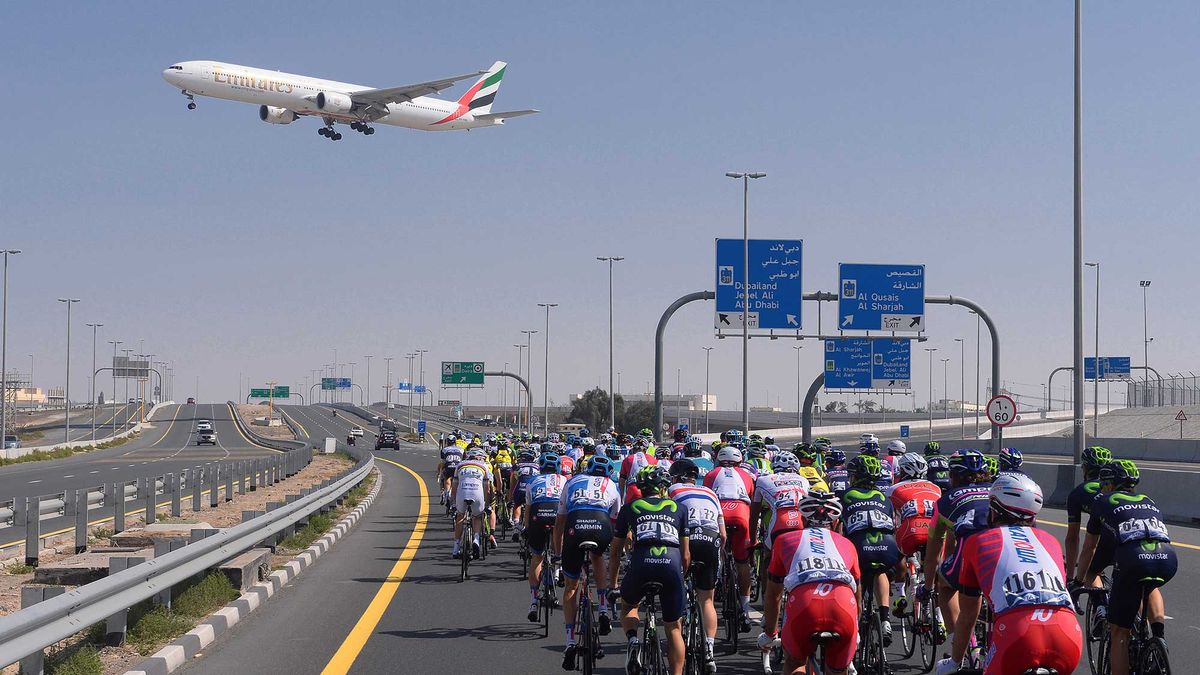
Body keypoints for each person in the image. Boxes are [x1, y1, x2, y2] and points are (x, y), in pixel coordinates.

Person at [935, 474, 1081, 675]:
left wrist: (954, 662)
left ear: (993, 510)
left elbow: (968, 616)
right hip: (1068, 633)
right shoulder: (1050, 541)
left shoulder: (977, 541)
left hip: (1017, 634)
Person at [1073, 460, 1177, 675]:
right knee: (1150, 586)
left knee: (1119, 632)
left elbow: (1089, 547)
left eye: (1104, 484)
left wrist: (1077, 581)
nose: (1101, 488)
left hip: (1133, 559)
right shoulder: (1149, 501)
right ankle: (1158, 638)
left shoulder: (1102, 501)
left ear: (1110, 485)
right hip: (1167, 558)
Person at [758, 490, 860, 675]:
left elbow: (774, 595)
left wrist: (770, 634)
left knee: (795, 663)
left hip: (804, 604)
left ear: (802, 518)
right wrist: (856, 629)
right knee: (838, 670)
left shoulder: (783, 540)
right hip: (844, 604)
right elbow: (857, 592)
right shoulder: (848, 544)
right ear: (835, 521)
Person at [608, 466, 690, 675]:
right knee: (673, 627)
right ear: (663, 489)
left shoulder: (630, 508)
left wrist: (613, 585)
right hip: (671, 564)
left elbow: (616, 552)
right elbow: (686, 554)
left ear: (641, 489)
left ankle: (634, 639)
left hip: (641, 562)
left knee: (629, 604)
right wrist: (683, 578)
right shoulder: (679, 508)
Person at [554, 455, 621, 670]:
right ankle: (602, 608)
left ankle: (570, 641)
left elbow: (559, 523)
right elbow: (615, 521)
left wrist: (558, 553)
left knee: (571, 587)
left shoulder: (571, 482)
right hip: (601, 524)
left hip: (575, 525)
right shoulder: (611, 484)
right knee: (598, 555)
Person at [922, 450, 991, 652]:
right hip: (1005, 546)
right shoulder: (996, 489)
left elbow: (933, 554)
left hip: (972, 547)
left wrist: (927, 588)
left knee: (944, 584)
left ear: (953, 475)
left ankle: (963, 642)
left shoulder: (944, 501)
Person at [668, 459, 725, 674]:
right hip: (711, 538)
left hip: (688, 537)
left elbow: (668, 518)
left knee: (676, 591)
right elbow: (724, 534)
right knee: (707, 599)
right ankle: (709, 650)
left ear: (677, 477)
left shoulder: (673, 490)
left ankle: (679, 638)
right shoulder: (710, 492)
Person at [841, 455, 900, 645]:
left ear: (856, 477)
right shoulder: (884, 498)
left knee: (855, 577)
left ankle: (856, 627)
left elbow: (838, 531)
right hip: (887, 545)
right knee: (880, 570)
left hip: (860, 545)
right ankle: (885, 618)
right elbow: (893, 525)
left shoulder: (845, 496)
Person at [703, 446, 757, 631]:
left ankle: (717, 578)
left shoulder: (712, 474)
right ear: (739, 462)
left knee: (716, 554)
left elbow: (705, 497)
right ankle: (745, 610)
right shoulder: (747, 475)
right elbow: (751, 498)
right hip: (741, 514)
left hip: (720, 514)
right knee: (743, 563)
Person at [887, 452, 941, 620]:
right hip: (934, 532)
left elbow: (891, 517)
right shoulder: (936, 488)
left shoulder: (894, 489)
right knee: (936, 568)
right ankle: (938, 617)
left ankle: (901, 595)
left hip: (911, 532)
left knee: (899, 552)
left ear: (904, 470)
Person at [1064, 445, 1113, 610]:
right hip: (1131, 537)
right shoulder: (1117, 488)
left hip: (1104, 539)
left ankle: (1100, 607)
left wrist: (1071, 578)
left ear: (1085, 468)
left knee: (1091, 568)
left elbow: (1073, 538)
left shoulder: (1077, 493)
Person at [524, 453, 568, 622]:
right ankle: (559, 567)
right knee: (560, 535)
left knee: (537, 557)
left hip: (538, 513)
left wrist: (526, 528)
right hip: (556, 513)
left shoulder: (532, 481)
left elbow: (528, 509)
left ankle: (534, 601)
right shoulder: (564, 480)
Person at [451, 448, 494, 560]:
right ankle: (476, 539)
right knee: (477, 516)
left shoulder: (460, 465)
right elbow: (487, 489)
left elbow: (454, 486)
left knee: (460, 516)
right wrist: (487, 504)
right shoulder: (484, 466)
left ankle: (456, 548)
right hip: (477, 493)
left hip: (462, 492)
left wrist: (453, 503)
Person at [510, 449, 541, 541]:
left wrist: (511, 497)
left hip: (521, 487)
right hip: (533, 488)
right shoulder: (538, 466)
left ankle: (516, 525)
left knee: (517, 504)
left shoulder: (517, 465)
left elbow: (513, 482)